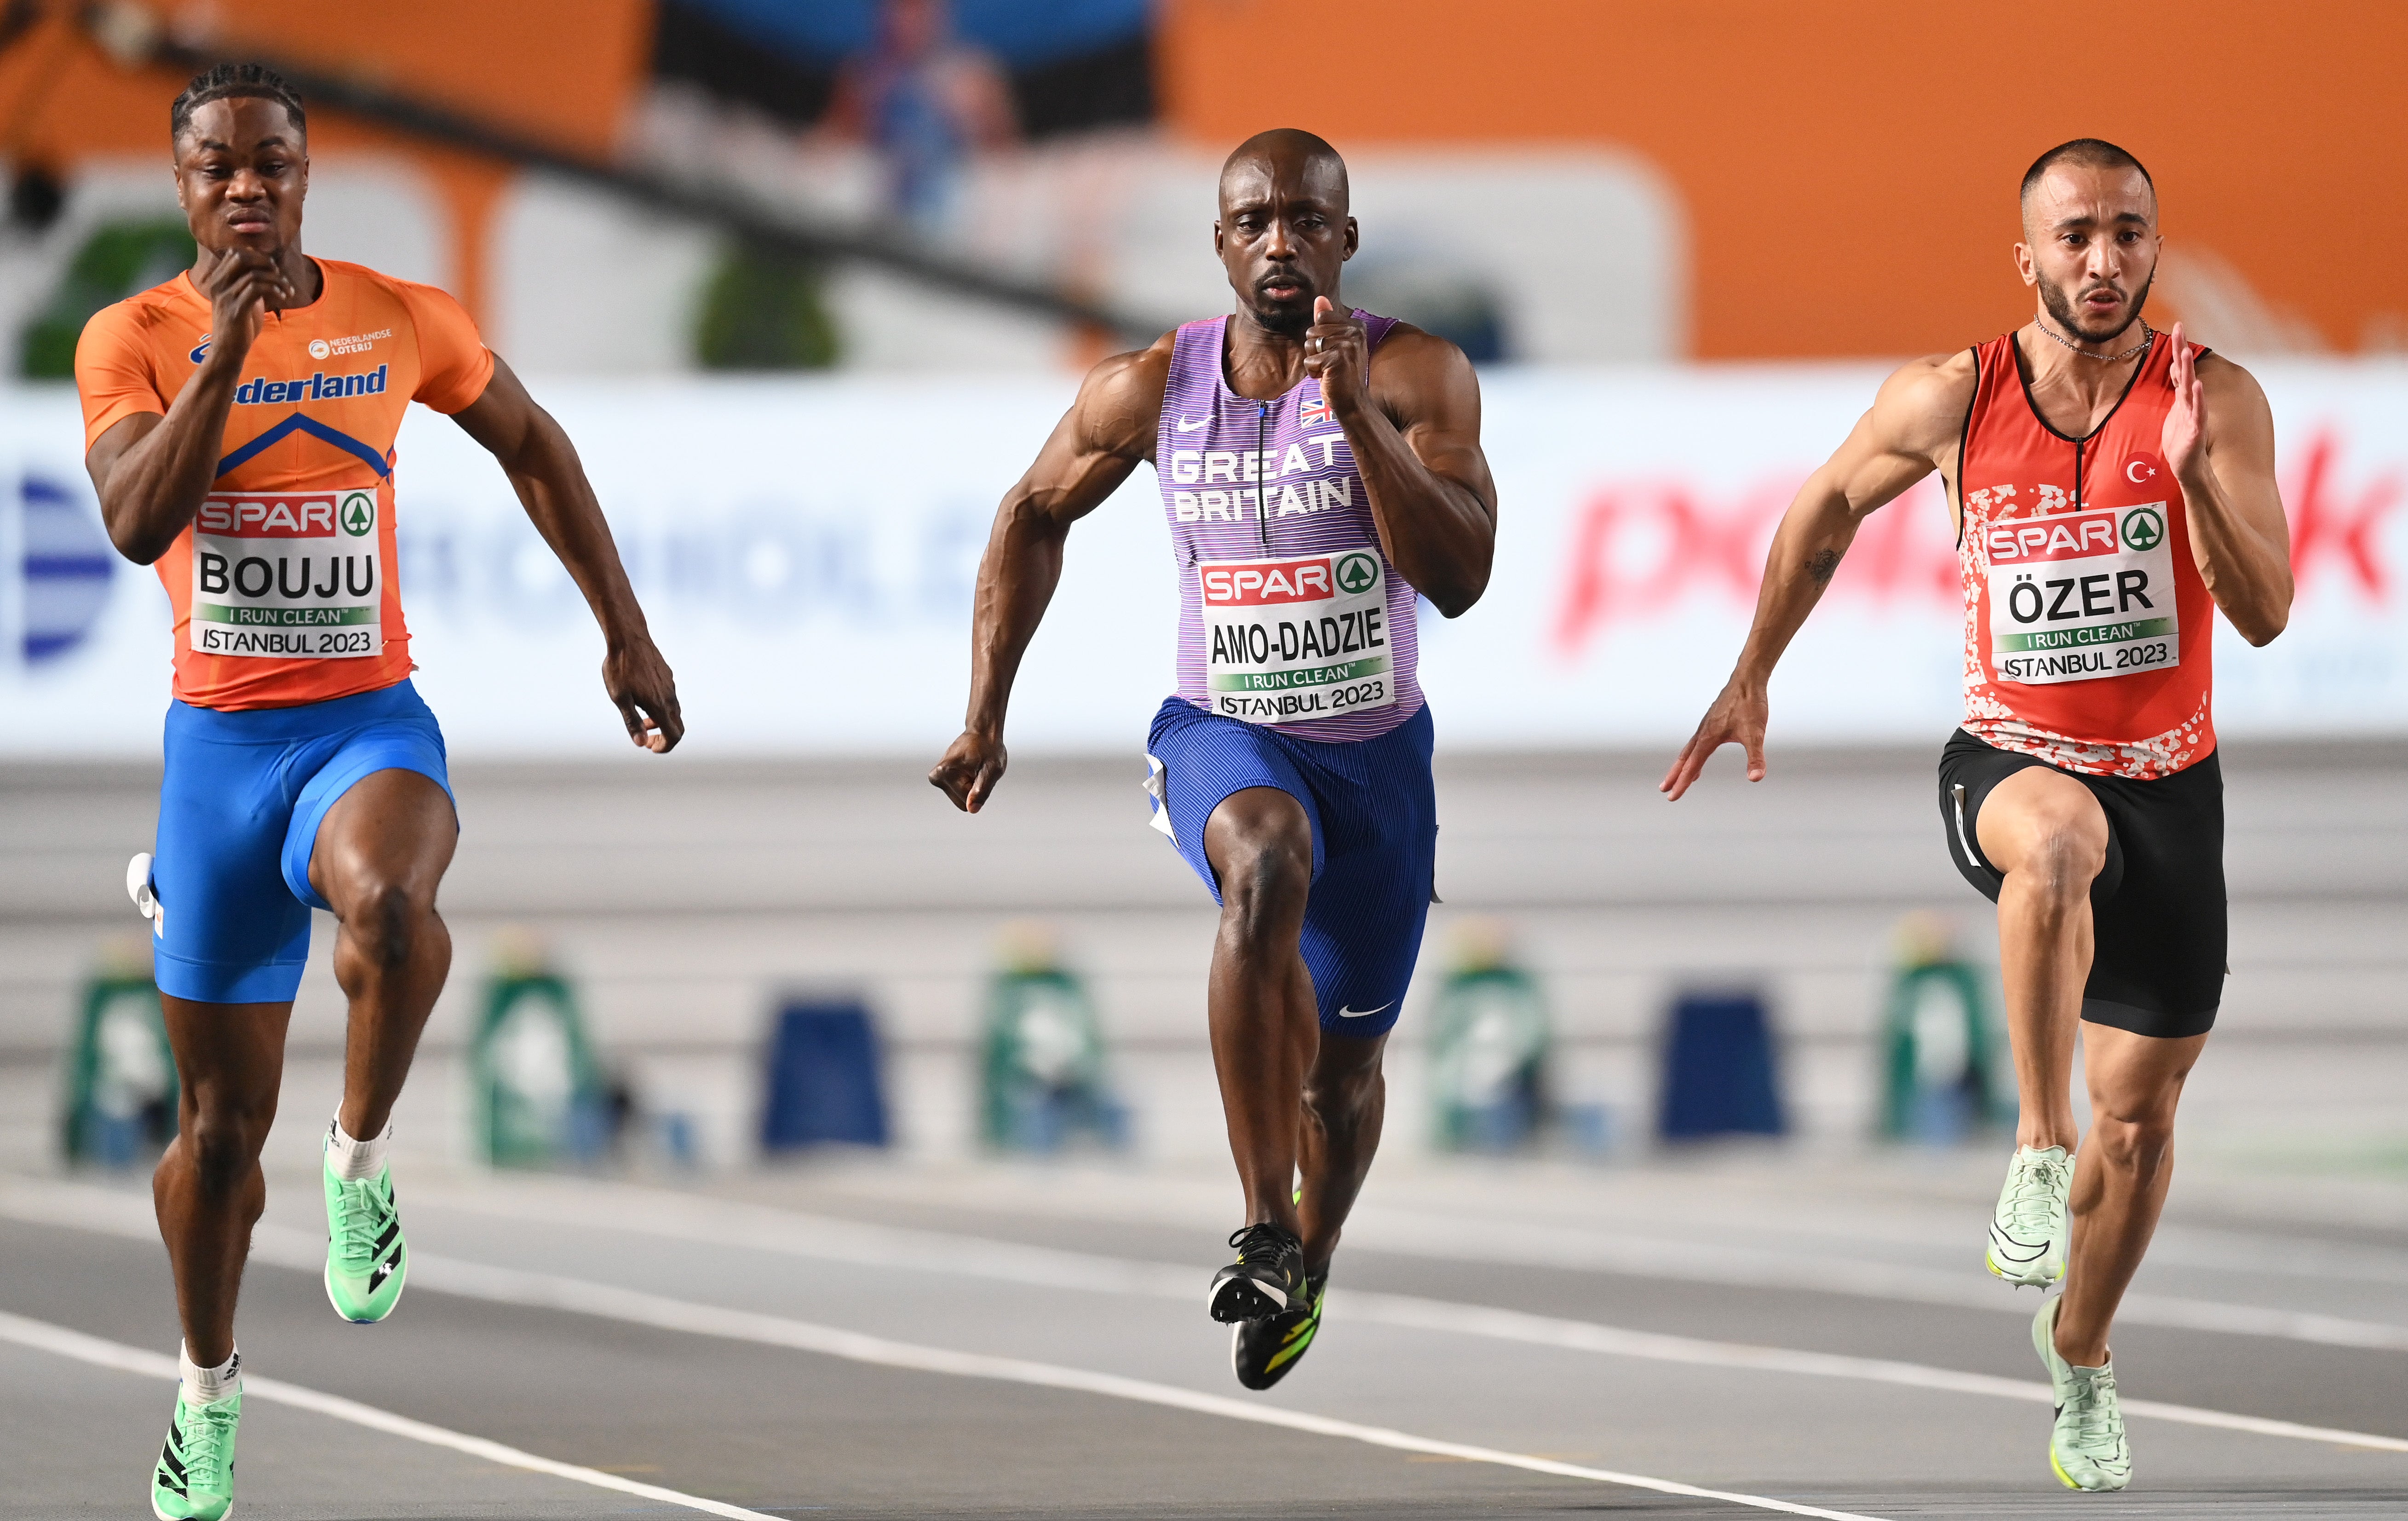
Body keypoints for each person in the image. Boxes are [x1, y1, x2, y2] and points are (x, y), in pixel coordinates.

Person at [75, 63, 682, 1521]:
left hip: (364, 723)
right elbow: (134, 518)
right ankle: (207, 1391)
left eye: (270, 164)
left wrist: (624, 626)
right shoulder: (136, 337)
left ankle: (358, 1156)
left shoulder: (398, 315)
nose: (245, 189)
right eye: (216, 167)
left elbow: (532, 443)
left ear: (303, 172)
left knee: (394, 912)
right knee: (217, 1139)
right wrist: (223, 352)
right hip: (219, 757)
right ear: (182, 186)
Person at [1662, 138, 2291, 1492]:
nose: (2103, 262)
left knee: (2142, 1128)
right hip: (2008, 759)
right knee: (2056, 844)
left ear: (2153, 250)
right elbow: (1824, 504)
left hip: (2172, 783)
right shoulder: (1954, 393)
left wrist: (2185, 482)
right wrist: (1747, 674)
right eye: (2074, 237)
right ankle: (2027, 1144)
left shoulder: (2214, 398)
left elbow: (2263, 611)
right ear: (2026, 256)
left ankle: (2080, 1353)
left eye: (2128, 235)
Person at [930, 128, 1495, 1390]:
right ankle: (1257, 1218)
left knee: (1343, 1078)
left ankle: (1309, 1250)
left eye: (1305, 219)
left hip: (1379, 763)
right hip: (1221, 731)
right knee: (1262, 862)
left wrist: (1354, 416)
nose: (1279, 241)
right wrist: (985, 712)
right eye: (1253, 221)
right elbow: (1029, 513)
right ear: (1222, 246)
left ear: (1345, 240)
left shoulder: (1416, 373)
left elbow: (1457, 576)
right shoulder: (1149, 385)